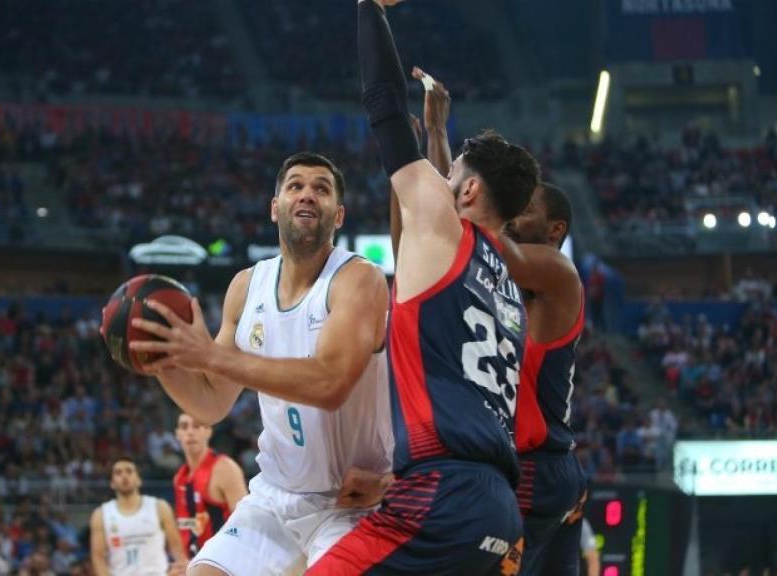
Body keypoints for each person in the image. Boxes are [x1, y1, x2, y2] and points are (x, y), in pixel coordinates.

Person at [307, 1, 539, 573]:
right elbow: (433, 234)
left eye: (450, 173)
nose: (438, 179)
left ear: (465, 194)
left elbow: (385, 106)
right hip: (499, 511)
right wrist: (438, 133)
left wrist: (370, 11)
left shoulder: (444, 228)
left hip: (441, 494)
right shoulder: (507, 290)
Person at [130, 151, 393, 575]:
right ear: (275, 207)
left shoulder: (358, 280)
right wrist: (163, 359)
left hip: (351, 505)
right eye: (296, 186)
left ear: (338, 215)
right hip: (273, 497)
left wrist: (213, 355)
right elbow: (211, 403)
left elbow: (330, 384)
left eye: (321, 189)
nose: (307, 194)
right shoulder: (245, 287)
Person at [413, 63, 587, 575]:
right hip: (550, 473)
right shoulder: (501, 280)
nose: (512, 212)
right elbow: (462, 226)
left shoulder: (556, 271)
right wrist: (438, 134)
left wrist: (443, 154)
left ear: (555, 228)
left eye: (525, 206)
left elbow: (460, 228)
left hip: (536, 471)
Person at [90, 457, 187, 576]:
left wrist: (180, 570)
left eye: (129, 471)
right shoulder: (101, 514)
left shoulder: (159, 507)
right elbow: (98, 558)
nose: (124, 476)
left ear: (139, 479)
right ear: (112, 483)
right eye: (118, 473)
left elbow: (177, 548)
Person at [172, 412, 248, 557]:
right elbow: (186, 525)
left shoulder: (224, 468)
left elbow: (245, 524)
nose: (190, 432)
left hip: (224, 562)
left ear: (208, 431)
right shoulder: (179, 479)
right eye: (184, 426)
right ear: (177, 434)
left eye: (197, 426)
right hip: (194, 563)